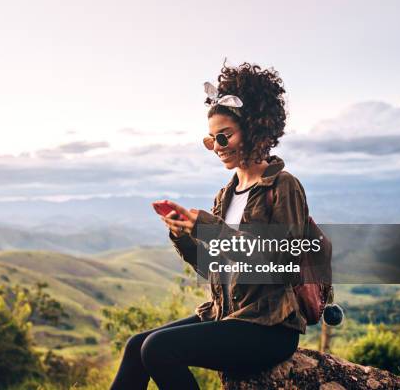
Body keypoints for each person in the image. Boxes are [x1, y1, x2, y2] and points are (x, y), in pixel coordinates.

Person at [109, 61, 310, 390]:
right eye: (210, 139)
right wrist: (184, 237)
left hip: (269, 326)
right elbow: (216, 268)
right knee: (137, 346)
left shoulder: (283, 187)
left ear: (255, 130)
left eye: (223, 136)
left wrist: (209, 228)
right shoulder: (225, 196)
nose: (216, 146)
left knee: (159, 349)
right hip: (227, 316)